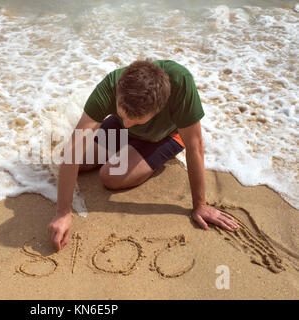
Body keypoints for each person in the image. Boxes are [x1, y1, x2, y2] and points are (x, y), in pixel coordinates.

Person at [47, 59, 239, 251]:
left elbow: (195, 145)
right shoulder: (110, 86)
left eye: (136, 119)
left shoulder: (181, 83)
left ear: (159, 108)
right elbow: (74, 149)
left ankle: (145, 152)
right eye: (124, 115)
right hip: (119, 130)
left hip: (165, 135)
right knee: (70, 158)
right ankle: (127, 142)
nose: (128, 123)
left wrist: (200, 205)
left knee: (110, 177)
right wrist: (63, 212)